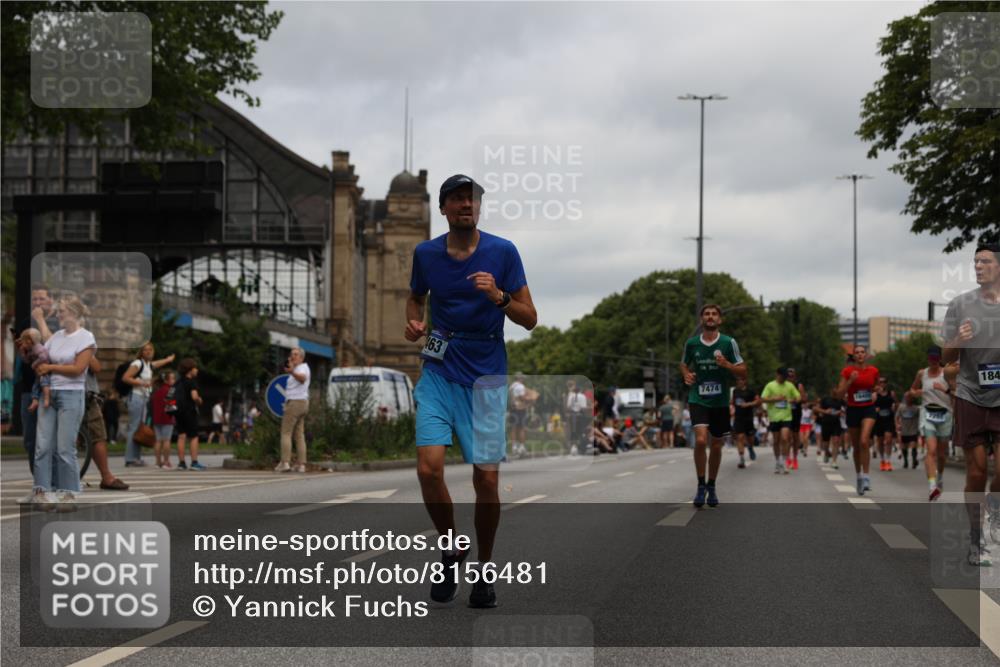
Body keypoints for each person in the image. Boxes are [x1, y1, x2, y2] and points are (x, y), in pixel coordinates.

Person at [405, 173, 536, 609]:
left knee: (487, 479)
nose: (467, 204)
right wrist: (415, 323)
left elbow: (530, 318)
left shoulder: (503, 251)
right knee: (428, 470)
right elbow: (415, 297)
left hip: (486, 375)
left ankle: (484, 569)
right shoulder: (426, 254)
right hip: (439, 370)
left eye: (473, 199)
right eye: (458, 199)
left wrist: (499, 296)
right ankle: (450, 548)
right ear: (443, 208)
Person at [941, 241, 1000, 566]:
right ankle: (976, 541)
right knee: (976, 473)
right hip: (970, 394)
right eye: (976, 261)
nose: (978, 267)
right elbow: (946, 356)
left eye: (986, 261)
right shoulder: (960, 304)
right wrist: (958, 341)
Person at [30, 295, 96, 509]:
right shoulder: (56, 336)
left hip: (71, 395)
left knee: (65, 448)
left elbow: (78, 369)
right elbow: (44, 354)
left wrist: (49, 368)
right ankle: (41, 491)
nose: (58, 315)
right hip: (49, 394)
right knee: (42, 446)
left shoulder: (86, 337)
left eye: (62, 311)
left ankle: (68, 494)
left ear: (74, 314)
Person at [679, 304, 748, 507]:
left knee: (717, 444)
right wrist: (686, 374)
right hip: (698, 398)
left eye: (714, 314)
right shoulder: (692, 343)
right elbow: (683, 364)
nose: (710, 317)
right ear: (702, 319)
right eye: (707, 314)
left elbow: (743, 371)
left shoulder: (728, 343)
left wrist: (727, 365)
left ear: (720, 319)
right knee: (701, 441)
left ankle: (712, 485)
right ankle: (701, 485)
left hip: (720, 400)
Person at [909, 345, 955, 501]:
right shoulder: (922, 373)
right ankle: (932, 486)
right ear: (928, 358)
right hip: (927, 413)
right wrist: (917, 393)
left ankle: (939, 476)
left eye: (936, 358)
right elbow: (912, 390)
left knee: (941, 455)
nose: (933, 360)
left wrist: (944, 390)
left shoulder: (947, 373)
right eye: (931, 358)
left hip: (945, 415)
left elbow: (956, 394)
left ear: (940, 358)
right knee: (931, 450)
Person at [122, 342, 175, 467]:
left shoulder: (148, 365)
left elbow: (156, 364)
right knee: (134, 427)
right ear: (141, 352)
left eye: (150, 349)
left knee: (139, 429)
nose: (148, 352)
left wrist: (168, 360)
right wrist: (142, 383)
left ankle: (136, 458)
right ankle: (130, 459)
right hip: (136, 397)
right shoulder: (137, 363)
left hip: (143, 398)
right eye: (145, 350)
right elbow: (125, 378)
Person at [836, 344, 880, 496]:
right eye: (857, 353)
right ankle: (859, 476)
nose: (860, 354)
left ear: (866, 355)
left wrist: (875, 393)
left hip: (868, 409)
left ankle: (867, 477)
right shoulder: (847, 371)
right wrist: (850, 381)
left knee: (864, 441)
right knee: (856, 447)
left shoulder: (873, 371)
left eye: (862, 352)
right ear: (854, 356)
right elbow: (839, 394)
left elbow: (875, 387)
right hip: (853, 410)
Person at [82, 355, 129, 490]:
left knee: (97, 435)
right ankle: (106, 477)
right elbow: (96, 367)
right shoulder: (80, 345)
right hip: (76, 393)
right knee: (96, 435)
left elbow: (96, 367)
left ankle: (106, 477)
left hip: (83, 394)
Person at [276, 347, 310, 473]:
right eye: (291, 354)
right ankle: (301, 464)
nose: (292, 356)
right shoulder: (298, 368)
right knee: (299, 435)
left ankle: (285, 462)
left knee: (286, 433)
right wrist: (291, 369)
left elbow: (302, 379)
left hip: (295, 402)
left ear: (301, 357)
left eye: (296, 354)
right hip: (302, 403)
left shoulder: (302, 368)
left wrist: (292, 372)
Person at [761, 367, 801, 474]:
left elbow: (798, 397)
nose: (784, 378)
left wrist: (793, 400)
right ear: (777, 374)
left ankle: (784, 461)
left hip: (786, 417)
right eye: (783, 376)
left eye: (785, 377)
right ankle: (777, 461)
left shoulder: (789, 386)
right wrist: (775, 399)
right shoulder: (770, 385)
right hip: (774, 417)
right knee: (776, 441)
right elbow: (763, 398)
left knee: (785, 438)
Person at [173, 357, 205, 470]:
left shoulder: (177, 382)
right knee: (193, 436)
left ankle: (181, 463)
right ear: (189, 370)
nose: (197, 370)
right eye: (195, 368)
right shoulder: (191, 382)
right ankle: (194, 463)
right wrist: (199, 400)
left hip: (178, 412)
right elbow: (194, 397)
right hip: (189, 412)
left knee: (181, 436)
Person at [16, 329, 51, 410]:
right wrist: (23, 353)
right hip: (38, 372)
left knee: (44, 383)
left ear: (29, 341)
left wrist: (34, 364)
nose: (23, 345)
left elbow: (43, 357)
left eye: (23, 342)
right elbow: (27, 360)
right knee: (35, 386)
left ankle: (47, 398)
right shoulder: (31, 350)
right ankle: (35, 400)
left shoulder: (38, 348)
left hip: (44, 371)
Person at [731, 376, 760, 468]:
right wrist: (731, 409)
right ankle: (741, 459)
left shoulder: (751, 391)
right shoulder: (735, 391)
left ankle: (750, 447)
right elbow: (733, 402)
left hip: (748, 418)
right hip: (738, 418)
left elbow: (758, 401)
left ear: (745, 381)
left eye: (741, 380)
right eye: (738, 380)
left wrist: (748, 404)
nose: (739, 382)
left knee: (750, 439)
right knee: (740, 437)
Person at [151, 370, 177, 469]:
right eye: (172, 378)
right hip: (167, 418)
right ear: (166, 380)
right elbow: (171, 405)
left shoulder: (157, 390)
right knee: (166, 440)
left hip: (157, 418)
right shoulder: (170, 390)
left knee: (158, 440)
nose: (174, 380)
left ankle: (158, 462)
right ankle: (166, 462)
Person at [816, 387, 845, 469]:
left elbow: (845, 410)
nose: (835, 393)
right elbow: (816, 408)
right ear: (831, 392)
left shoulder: (841, 400)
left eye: (837, 392)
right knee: (826, 443)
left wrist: (840, 412)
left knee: (836, 441)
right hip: (826, 423)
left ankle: (834, 461)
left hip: (836, 423)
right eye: (834, 392)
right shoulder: (825, 399)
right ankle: (826, 453)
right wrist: (825, 411)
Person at [873, 378, 898, 471]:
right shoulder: (875, 395)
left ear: (886, 384)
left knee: (888, 439)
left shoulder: (891, 393)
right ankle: (882, 460)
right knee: (880, 441)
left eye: (884, 382)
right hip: (879, 420)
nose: (882, 384)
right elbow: (869, 406)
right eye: (880, 382)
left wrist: (894, 407)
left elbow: (897, 403)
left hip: (889, 419)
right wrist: (874, 409)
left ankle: (888, 460)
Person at [896, 392, 921, 471]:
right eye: (906, 397)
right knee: (904, 447)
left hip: (913, 430)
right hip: (904, 430)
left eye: (909, 397)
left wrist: (919, 428)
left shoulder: (916, 408)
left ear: (912, 399)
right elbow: (897, 417)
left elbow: (920, 418)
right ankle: (906, 461)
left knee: (913, 446)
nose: (908, 399)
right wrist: (897, 425)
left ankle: (914, 460)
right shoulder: (901, 407)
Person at [786, 368, 808, 459]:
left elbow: (804, 399)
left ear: (795, 376)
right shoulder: (783, 385)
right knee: (787, 437)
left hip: (795, 413)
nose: (790, 377)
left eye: (792, 375)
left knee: (795, 437)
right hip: (784, 414)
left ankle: (794, 457)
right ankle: (787, 457)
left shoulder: (799, 385)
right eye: (788, 375)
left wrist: (794, 400)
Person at [565, 381, 589, 455]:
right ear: (580, 390)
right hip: (581, 415)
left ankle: (573, 447)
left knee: (573, 431)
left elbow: (568, 407)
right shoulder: (583, 396)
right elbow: (584, 408)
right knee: (581, 432)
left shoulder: (571, 396)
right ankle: (581, 447)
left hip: (573, 416)